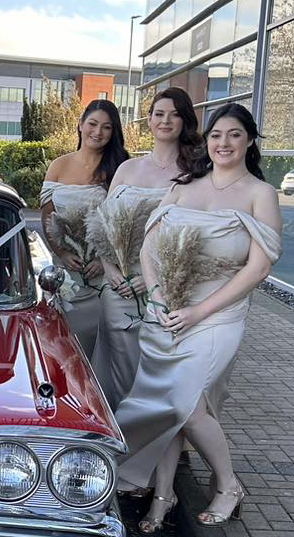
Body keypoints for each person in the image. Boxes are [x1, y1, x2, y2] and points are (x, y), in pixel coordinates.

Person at [116, 103, 281, 533]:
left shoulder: (260, 194)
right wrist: (155, 295)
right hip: (167, 314)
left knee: (186, 407)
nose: (223, 143)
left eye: (234, 135)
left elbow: (258, 268)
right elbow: (150, 246)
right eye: (216, 135)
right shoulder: (185, 185)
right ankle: (164, 495)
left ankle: (228, 485)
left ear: (249, 141)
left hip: (217, 317)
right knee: (172, 405)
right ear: (206, 141)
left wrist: (200, 311)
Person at [88, 87, 201, 410]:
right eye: (159, 114)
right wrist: (110, 270)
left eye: (175, 114)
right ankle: (118, 437)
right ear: (149, 120)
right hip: (118, 288)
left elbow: (194, 238)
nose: (165, 121)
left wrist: (157, 280)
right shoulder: (127, 169)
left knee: (155, 370)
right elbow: (104, 228)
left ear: (185, 121)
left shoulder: (194, 172)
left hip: (165, 289)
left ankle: (154, 443)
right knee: (117, 367)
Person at [39, 99, 129, 357]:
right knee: (66, 345)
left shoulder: (120, 168)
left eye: (106, 127)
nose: (97, 132)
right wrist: (63, 253)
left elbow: (124, 221)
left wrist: (105, 261)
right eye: (92, 124)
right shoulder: (59, 165)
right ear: (80, 125)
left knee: (107, 348)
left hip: (107, 272)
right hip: (69, 270)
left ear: (114, 132)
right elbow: (48, 217)